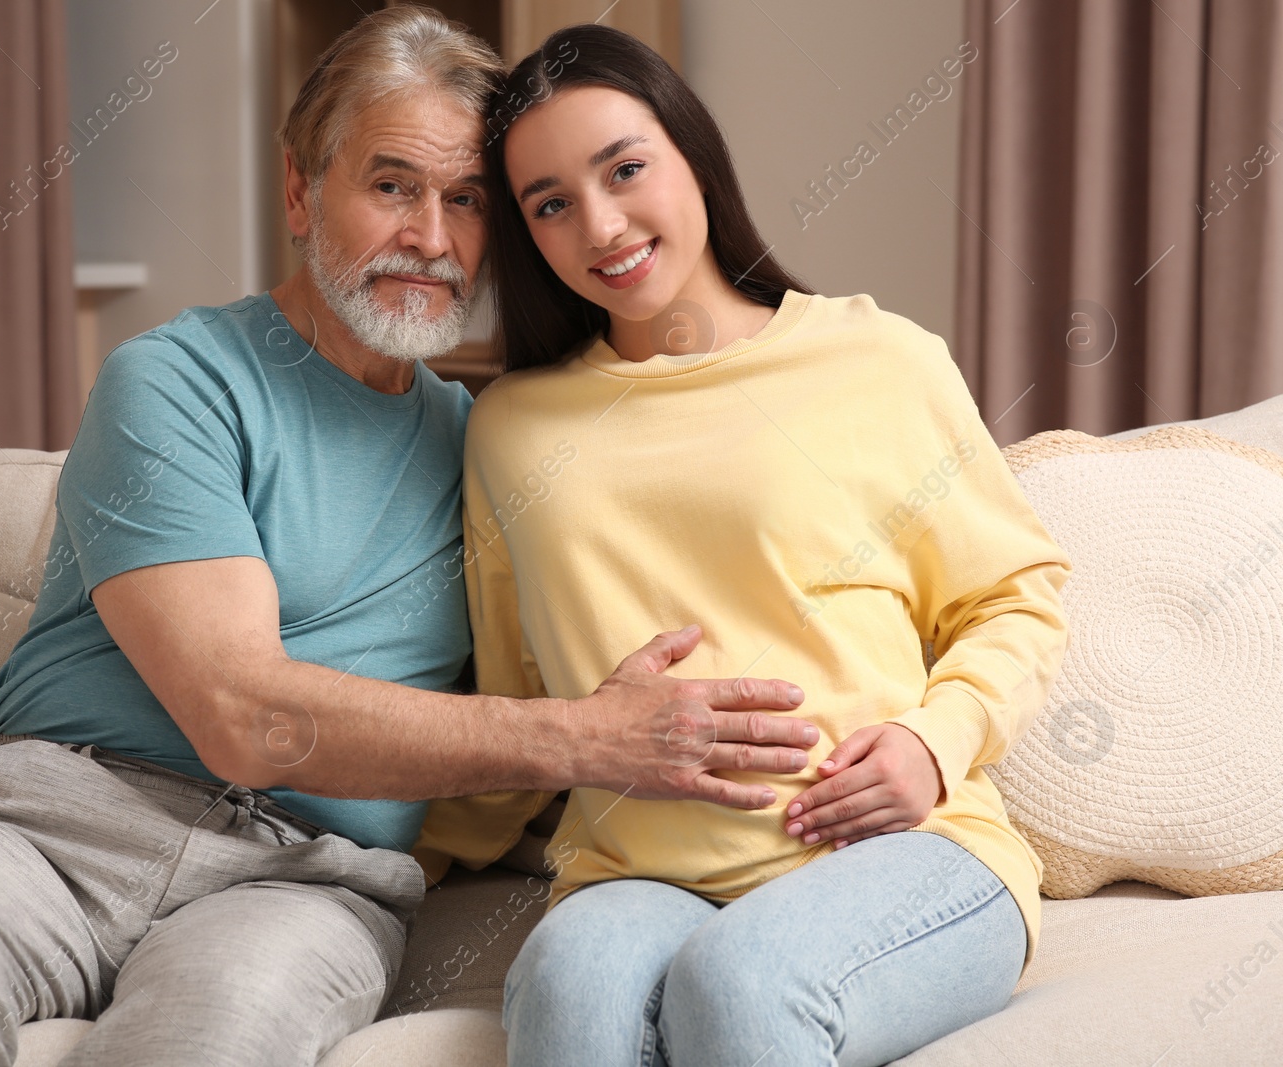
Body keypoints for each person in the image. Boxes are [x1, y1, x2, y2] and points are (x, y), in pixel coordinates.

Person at [0, 9, 824, 1067]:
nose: (431, 236)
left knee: (208, 1042)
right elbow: (241, 714)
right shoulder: (178, 381)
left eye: (467, 200)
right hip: (50, 826)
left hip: (302, 878)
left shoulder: (501, 452)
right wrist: (585, 734)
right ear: (299, 190)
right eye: (391, 187)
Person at [414, 24, 1073, 1067]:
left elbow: (1015, 596)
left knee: (739, 980)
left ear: (692, 154)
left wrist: (931, 742)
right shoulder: (509, 430)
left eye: (625, 168)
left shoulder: (877, 361)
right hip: (637, 871)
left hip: (904, 850)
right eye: (548, 203)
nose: (601, 222)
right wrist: (379, 857)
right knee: (567, 988)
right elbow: (514, 692)